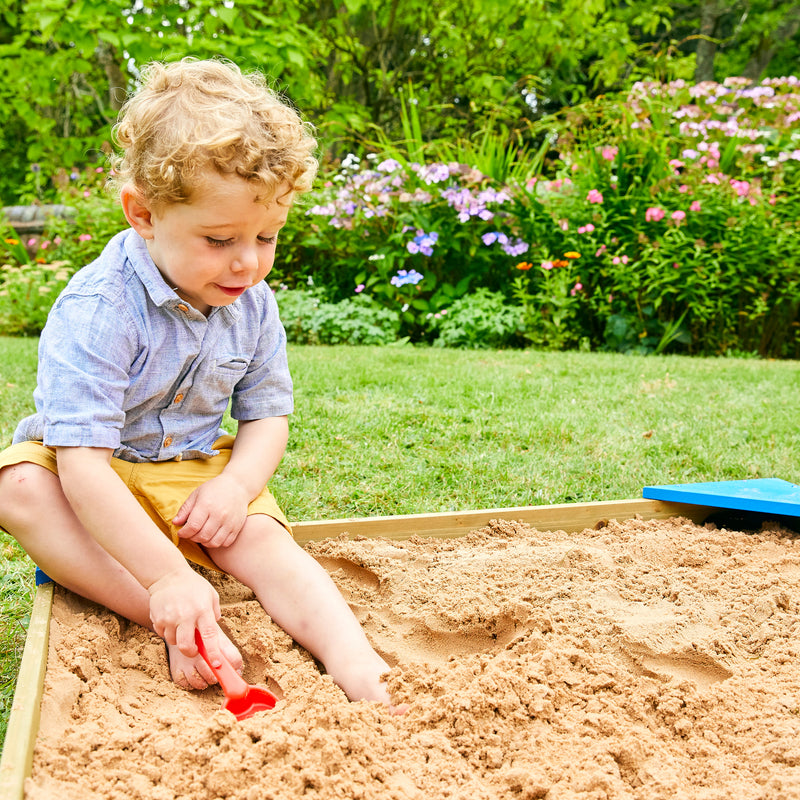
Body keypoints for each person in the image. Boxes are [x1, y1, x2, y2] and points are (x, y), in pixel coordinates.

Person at [0, 58, 397, 709]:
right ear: (144, 214)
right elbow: (81, 465)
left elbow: (268, 415)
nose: (247, 260)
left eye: (266, 235)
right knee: (16, 486)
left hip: (190, 474)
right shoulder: (100, 307)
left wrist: (236, 488)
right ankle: (165, 609)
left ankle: (358, 663)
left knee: (266, 541)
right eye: (219, 239)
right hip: (90, 474)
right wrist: (164, 576)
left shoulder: (252, 302)